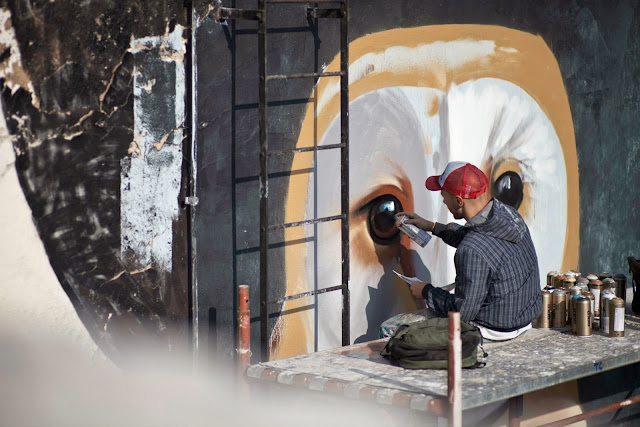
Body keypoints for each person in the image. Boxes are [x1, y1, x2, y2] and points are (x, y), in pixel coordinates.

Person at [398, 161, 541, 341]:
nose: (443, 201)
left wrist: (426, 291)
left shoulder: (470, 250)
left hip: (493, 330)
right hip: (523, 321)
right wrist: (432, 226)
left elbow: (461, 312)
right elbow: (481, 241)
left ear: (459, 201)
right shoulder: (509, 215)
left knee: (392, 329)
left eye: (444, 196)